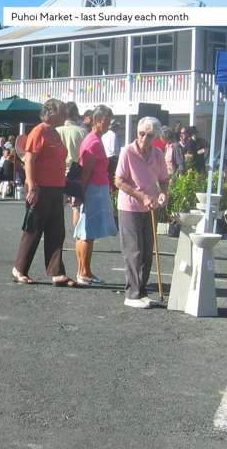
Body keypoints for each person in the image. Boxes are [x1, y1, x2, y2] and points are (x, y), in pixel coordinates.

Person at [12, 99, 77, 287]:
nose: (65, 115)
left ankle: (57, 273)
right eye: (62, 112)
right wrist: (32, 185)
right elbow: (29, 160)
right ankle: (19, 269)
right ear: (51, 113)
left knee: (57, 231)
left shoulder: (55, 133)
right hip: (40, 188)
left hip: (56, 188)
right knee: (33, 229)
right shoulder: (38, 131)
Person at [114, 116, 169, 309]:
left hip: (150, 206)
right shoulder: (127, 151)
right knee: (134, 250)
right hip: (130, 206)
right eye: (141, 133)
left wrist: (163, 194)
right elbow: (119, 181)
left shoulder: (158, 154)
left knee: (146, 251)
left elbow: (163, 179)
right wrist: (140, 196)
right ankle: (132, 293)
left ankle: (142, 291)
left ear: (156, 136)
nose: (144, 138)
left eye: (149, 135)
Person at [73, 105, 118, 285]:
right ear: (98, 121)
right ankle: (83, 272)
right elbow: (86, 172)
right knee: (86, 232)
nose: (108, 124)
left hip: (96, 188)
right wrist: (80, 193)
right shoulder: (92, 142)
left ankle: (85, 270)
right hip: (93, 189)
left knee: (86, 232)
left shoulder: (94, 140)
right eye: (106, 120)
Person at [57, 102, 87, 225]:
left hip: (59, 171)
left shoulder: (56, 131)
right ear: (75, 114)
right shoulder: (83, 132)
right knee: (76, 207)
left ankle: (56, 237)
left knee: (58, 209)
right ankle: (77, 236)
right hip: (76, 172)